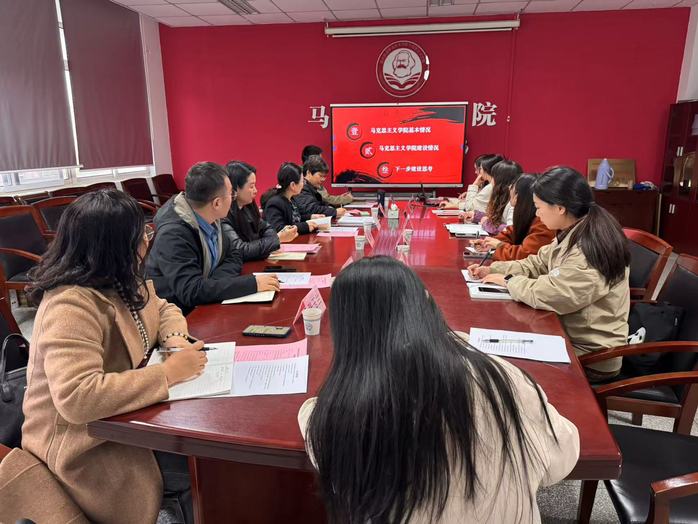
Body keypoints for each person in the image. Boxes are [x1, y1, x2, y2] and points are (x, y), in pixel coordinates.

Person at [298, 256, 579, 523]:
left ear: (345, 330)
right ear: (426, 303)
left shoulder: (340, 412)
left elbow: (316, 431)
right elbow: (561, 460)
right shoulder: (501, 377)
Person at [22, 189, 207, 524]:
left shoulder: (120, 279)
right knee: (203, 464)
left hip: (126, 420)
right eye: (141, 234)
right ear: (116, 247)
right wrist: (168, 373)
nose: (147, 241)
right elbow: (77, 397)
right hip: (86, 447)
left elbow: (163, 308)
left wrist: (175, 338)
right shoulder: (70, 305)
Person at [469, 167, 630, 381]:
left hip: (590, 353)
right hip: (567, 333)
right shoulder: (574, 230)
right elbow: (538, 263)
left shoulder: (590, 247)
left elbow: (555, 294)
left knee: (501, 367)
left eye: (538, 207)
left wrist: (508, 281)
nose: (536, 214)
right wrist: (494, 269)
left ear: (560, 208)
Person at [146, 162, 279, 315]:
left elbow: (234, 254)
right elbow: (191, 291)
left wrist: (211, 283)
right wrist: (251, 284)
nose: (233, 198)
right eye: (231, 194)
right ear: (217, 203)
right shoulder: (173, 235)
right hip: (180, 315)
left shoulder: (211, 217)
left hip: (207, 304)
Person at [223, 160, 298, 261]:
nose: (255, 190)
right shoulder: (223, 215)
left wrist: (272, 242)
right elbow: (240, 250)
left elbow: (266, 228)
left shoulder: (248, 208)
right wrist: (277, 239)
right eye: (251, 186)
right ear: (235, 188)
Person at [471, 173, 556, 261]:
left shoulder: (542, 221)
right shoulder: (525, 214)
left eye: (512, 186)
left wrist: (499, 245)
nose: (509, 188)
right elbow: (510, 233)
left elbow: (524, 254)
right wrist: (489, 242)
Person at [262, 162, 327, 235]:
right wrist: (305, 226)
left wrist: (311, 217)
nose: (303, 184)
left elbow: (294, 219)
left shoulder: (291, 199)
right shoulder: (275, 203)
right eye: (302, 181)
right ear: (292, 185)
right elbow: (279, 229)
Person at [461, 159, 522, 235]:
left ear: (499, 181)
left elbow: (510, 230)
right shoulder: (503, 197)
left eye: (493, 177)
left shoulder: (512, 203)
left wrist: (487, 224)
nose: (491, 181)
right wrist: (477, 216)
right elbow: (499, 220)